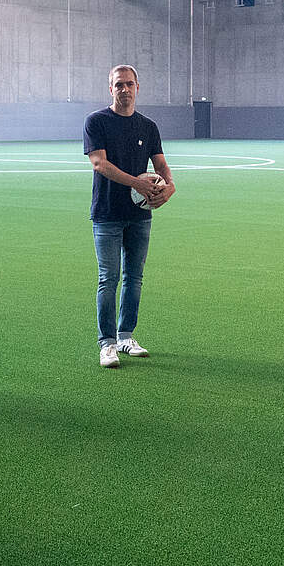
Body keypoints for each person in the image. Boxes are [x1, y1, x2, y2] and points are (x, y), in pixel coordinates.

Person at [85, 64, 176, 368]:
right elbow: (100, 164)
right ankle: (107, 344)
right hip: (107, 214)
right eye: (119, 85)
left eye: (129, 84)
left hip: (139, 216)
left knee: (134, 278)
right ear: (110, 89)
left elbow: (161, 165)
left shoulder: (148, 127)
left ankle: (126, 336)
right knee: (108, 278)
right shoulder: (96, 122)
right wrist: (138, 183)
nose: (125, 90)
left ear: (138, 87)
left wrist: (170, 187)